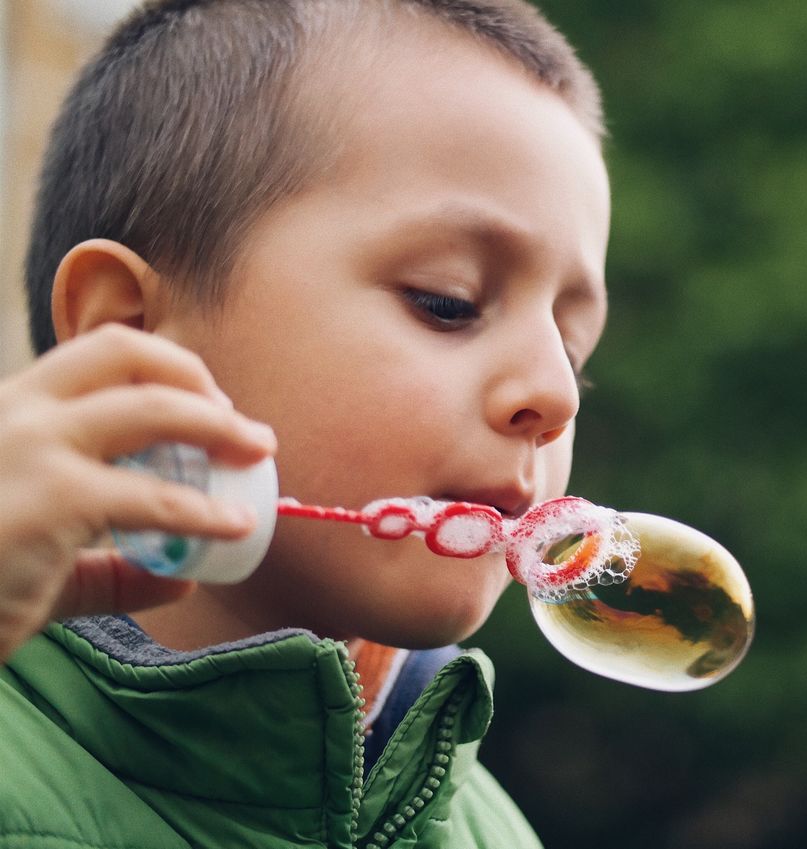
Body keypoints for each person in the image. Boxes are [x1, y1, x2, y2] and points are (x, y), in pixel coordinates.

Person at [0, 0, 609, 846]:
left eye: (574, 348)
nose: (555, 391)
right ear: (129, 334)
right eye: (448, 301)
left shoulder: (489, 831)